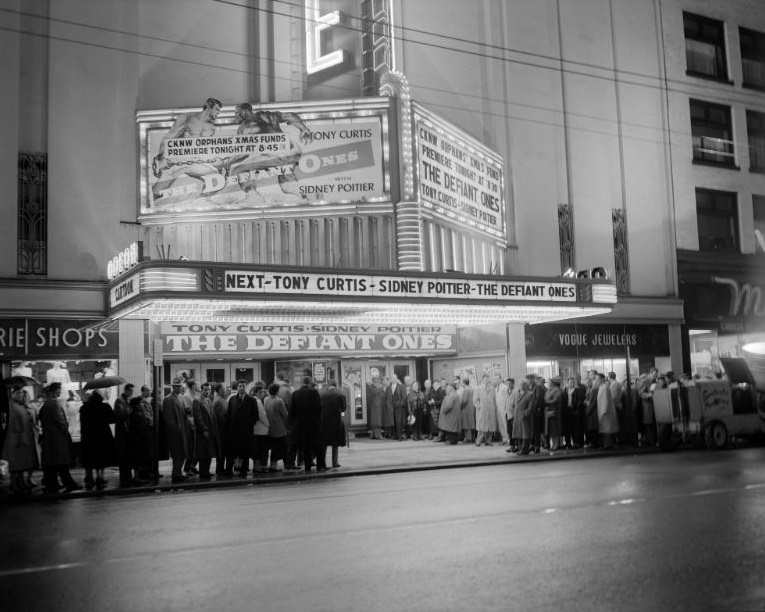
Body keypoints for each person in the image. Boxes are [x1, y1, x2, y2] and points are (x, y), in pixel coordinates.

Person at [38, 383, 81, 494]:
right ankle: (67, 484)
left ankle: (52, 484)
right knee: (62, 463)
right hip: (57, 439)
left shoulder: (46, 404)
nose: (60, 392)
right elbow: (60, 421)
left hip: (50, 439)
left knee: (53, 464)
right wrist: (66, 433)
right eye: (58, 390)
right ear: (53, 391)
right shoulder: (54, 404)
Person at [1, 385, 40, 495]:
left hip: (23, 439)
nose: (23, 395)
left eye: (24, 393)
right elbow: (15, 425)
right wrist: (20, 438)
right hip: (17, 440)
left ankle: (21, 483)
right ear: (15, 393)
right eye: (21, 393)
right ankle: (15, 485)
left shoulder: (20, 406)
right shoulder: (12, 406)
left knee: (22, 464)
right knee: (16, 464)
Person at [79, 390, 115, 490]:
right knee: (101, 457)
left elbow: (82, 422)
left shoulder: (84, 407)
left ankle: (89, 477)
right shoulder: (105, 407)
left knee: (89, 457)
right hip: (102, 435)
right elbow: (113, 419)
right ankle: (100, 477)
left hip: (88, 436)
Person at [290, 376, 325, 472]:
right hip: (313, 423)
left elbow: (292, 411)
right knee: (318, 445)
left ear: (302, 383)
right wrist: (318, 421)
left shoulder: (295, 393)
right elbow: (318, 408)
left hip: (301, 425)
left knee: (306, 446)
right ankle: (320, 466)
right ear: (310, 383)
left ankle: (307, 466)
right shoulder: (314, 392)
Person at [227, 379, 258, 476]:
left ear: (246, 387)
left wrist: (248, 425)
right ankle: (229, 470)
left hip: (246, 431)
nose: (241, 388)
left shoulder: (251, 400)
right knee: (232, 452)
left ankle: (244, 470)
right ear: (237, 388)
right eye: (240, 386)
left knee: (245, 452)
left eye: (243, 386)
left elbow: (255, 416)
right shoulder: (232, 399)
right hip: (234, 431)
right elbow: (228, 414)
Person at [162, 378, 188, 483]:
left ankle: (178, 473)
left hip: (181, 431)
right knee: (177, 454)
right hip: (175, 433)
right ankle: (176, 474)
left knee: (182, 454)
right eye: (176, 386)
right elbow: (169, 418)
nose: (178, 387)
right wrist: (176, 429)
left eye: (179, 385)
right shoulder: (168, 399)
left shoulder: (180, 398)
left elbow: (182, 412)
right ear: (173, 387)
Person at [129, 385, 155, 484]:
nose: (149, 392)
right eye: (147, 390)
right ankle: (138, 476)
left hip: (142, 435)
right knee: (139, 456)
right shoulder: (137, 412)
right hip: (139, 436)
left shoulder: (142, 405)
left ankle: (141, 475)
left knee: (143, 456)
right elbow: (145, 418)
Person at [193, 382, 219, 480]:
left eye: (209, 389)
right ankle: (203, 472)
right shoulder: (197, 401)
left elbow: (212, 416)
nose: (207, 391)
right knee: (203, 453)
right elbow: (198, 417)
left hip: (211, 430)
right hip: (203, 432)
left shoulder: (209, 400)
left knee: (209, 453)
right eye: (205, 389)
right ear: (201, 390)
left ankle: (206, 471)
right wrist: (204, 429)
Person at [320, 379, 347, 468]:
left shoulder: (322, 394)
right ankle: (334, 462)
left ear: (328, 385)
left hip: (324, 421)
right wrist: (341, 414)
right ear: (336, 385)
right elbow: (343, 408)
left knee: (324, 442)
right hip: (336, 420)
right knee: (335, 442)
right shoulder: (340, 394)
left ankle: (322, 462)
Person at [264, 383, 289, 471]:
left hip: (269, 428)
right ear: (277, 391)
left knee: (273, 448)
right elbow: (285, 415)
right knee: (281, 447)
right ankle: (276, 466)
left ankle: (272, 465)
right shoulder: (279, 401)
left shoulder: (266, 399)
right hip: (279, 428)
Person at [114, 384, 134, 487]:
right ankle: (124, 479)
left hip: (127, 433)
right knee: (123, 457)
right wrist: (130, 409)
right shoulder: (120, 401)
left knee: (128, 456)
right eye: (130, 391)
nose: (132, 393)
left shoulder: (126, 401)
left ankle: (128, 477)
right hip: (122, 433)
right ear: (126, 390)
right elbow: (122, 414)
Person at [211, 383, 230, 477]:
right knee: (221, 450)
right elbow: (221, 418)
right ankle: (220, 469)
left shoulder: (222, 399)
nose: (225, 390)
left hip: (224, 430)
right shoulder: (218, 401)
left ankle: (221, 469)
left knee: (223, 450)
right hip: (222, 430)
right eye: (223, 389)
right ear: (218, 390)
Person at [474, 375, 498, 446]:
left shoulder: (492, 388)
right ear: (482, 380)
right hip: (482, 410)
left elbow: (494, 399)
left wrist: (494, 408)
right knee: (481, 427)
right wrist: (479, 406)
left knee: (490, 426)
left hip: (490, 409)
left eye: (488, 379)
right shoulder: (478, 388)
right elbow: (475, 399)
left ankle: (488, 441)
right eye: (485, 379)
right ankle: (478, 441)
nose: (487, 380)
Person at [597, 373, 619, 449]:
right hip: (603, 412)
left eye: (597, 379)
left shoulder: (604, 388)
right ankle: (607, 445)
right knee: (606, 430)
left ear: (602, 379)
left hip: (605, 413)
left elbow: (605, 401)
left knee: (607, 430)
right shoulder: (602, 387)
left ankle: (608, 445)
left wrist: (603, 412)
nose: (596, 381)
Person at [251, 383, 270, 474]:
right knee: (260, 450)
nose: (262, 393)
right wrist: (268, 424)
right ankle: (257, 467)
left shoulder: (255, 400)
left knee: (257, 449)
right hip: (260, 430)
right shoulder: (257, 401)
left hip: (257, 429)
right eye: (260, 392)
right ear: (255, 393)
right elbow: (261, 415)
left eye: (263, 391)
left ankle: (257, 466)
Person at [513, 380, 534, 455]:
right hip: (517, 417)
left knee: (525, 434)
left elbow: (531, 407)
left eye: (523, 384)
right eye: (520, 384)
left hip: (525, 417)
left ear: (526, 386)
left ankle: (524, 449)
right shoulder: (517, 393)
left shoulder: (530, 394)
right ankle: (520, 448)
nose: (521, 386)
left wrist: (525, 414)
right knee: (518, 433)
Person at [182, 380, 199, 477]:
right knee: (191, 448)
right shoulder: (187, 396)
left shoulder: (194, 394)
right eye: (195, 384)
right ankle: (187, 468)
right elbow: (188, 410)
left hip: (195, 422)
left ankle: (192, 466)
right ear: (192, 386)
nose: (196, 386)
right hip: (191, 424)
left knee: (195, 448)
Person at [544, 377, 564, 451]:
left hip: (554, 412)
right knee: (550, 430)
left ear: (553, 383)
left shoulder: (557, 390)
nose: (548, 384)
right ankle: (553, 444)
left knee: (554, 430)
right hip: (548, 412)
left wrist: (547, 402)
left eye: (549, 382)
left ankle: (556, 445)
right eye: (548, 383)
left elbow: (556, 400)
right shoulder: (548, 390)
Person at [583, 371, 600, 449]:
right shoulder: (589, 389)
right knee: (590, 428)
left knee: (593, 428)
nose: (586, 383)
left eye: (587, 382)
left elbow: (592, 402)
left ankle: (594, 443)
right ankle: (592, 442)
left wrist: (587, 409)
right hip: (589, 411)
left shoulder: (593, 389)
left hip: (592, 412)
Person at [389, 374, 408, 440]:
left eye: (394, 378)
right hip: (391, 407)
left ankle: (399, 436)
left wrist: (400, 404)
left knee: (399, 422)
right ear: (390, 379)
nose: (393, 379)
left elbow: (404, 397)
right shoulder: (389, 387)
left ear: (396, 379)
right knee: (393, 421)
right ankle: (395, 435)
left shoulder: (401, 386)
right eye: (392, 378)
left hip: (399, 407)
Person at [494, 375, 512, 446]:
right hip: (498, 408)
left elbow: (507, 398)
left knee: (505, 424)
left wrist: (506, 408)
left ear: (501, 379)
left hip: (504, 408)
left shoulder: (504, 387)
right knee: (500, 424)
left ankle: (508, 439)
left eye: (497, 379)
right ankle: (504, 438)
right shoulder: (496, 388)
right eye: (495, 379)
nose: (496, 380)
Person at [460, 377, 475, 443]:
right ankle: (473, 438)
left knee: (466, 424)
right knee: (472, 423)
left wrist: (461, 406)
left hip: (466, 408)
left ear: (464, 383)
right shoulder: (472, 389)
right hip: (472, 408)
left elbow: (464, 400)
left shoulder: (465, 390)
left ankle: (468, 438)